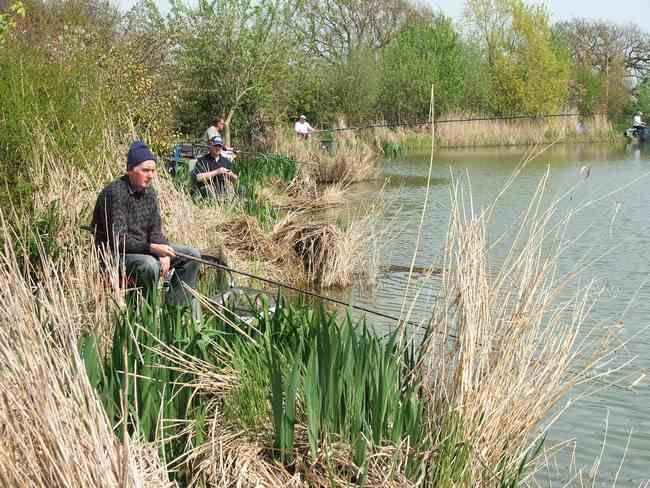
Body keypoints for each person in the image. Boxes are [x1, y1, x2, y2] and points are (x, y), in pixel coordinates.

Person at [91, 141, 201, 311]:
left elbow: (155, 229)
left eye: (152, 171)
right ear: (130, 170)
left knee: (192, 255)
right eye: (145, 170)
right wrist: (153, 249)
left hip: (144, 250)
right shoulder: (114, 194)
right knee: (150, 264)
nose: (150, 175)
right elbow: (118, 241)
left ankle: (175, 311)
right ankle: (144, 313)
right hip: (114, 255)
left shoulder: (150, 193)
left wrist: (163, 251)